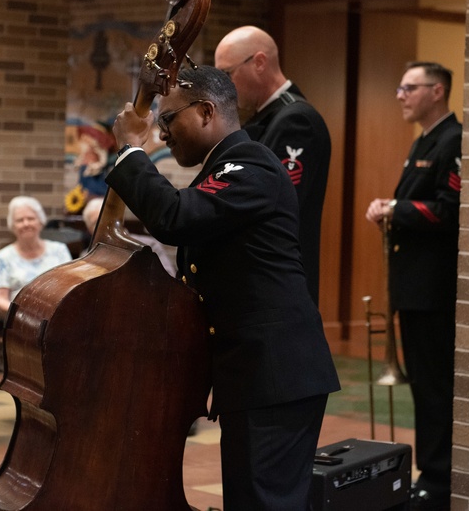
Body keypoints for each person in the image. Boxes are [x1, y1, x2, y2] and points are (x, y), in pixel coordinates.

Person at [107, 65, 340, 510]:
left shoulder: (249, 165)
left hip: (276, 375)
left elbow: (176, 217)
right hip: (256, 375)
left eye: (169, 119)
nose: (163, 132)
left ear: (207, 111)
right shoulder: (227, 164)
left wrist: (131, 151)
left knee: (265, 502)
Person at [365, 61, 461, 511]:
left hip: (434, 289)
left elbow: (448, 209)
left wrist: (395, 208)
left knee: (434, 387)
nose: (401, 95)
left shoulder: (452, 139)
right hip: (413, 286)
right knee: (423, 385)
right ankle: (431, 471)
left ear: (436, 91)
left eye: (410, 87)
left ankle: (438, 480)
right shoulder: (425, 140)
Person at [214, 26, 331, 305]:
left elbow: (275, 204)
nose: (225, 87)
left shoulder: (295, 121)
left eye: (227, 74)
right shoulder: (269, 117)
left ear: (259, 63)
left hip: (278, 281)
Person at [0, 196, 73, 317]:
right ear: (12, 226)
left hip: (57, 318)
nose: (26, 224)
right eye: (20, 220)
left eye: (31, 218)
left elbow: (70, 289)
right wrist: (25, 314)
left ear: (40, 222)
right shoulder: (4, 256)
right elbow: (0, 300)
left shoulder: (60, 250)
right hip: (20, 321)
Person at [81, 197, 175, 277]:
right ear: (89, 229)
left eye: (108, 219)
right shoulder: (86, 256)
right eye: (96, 223)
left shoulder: (149, 245)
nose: (104, 225)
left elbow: (169, 277)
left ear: (120, 220)